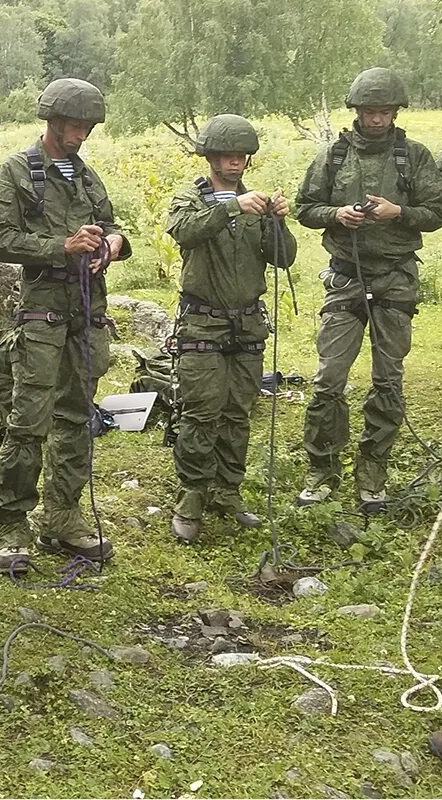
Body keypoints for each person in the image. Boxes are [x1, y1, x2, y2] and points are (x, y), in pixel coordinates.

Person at [0, 78, 131, 573]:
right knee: (28, 421)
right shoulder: (17, 171)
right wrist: (60, 247)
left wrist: (110, 245)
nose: (82, 133)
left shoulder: (87, 177)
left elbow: (113, 225)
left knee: (75, 419)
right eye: (75, 124)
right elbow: (0, 240)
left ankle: (63, 517)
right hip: (42, 314)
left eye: (88, 126)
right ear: (51, 120)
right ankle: (12, 522)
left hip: (86, 315)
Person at [295, 67, 442, 511]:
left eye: (384, 112)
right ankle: (321, 470)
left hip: (396, 278)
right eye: (369, 112)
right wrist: (337, 213)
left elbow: (435, 212)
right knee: (329, 379)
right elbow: (305, 207)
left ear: (396, 112)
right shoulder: (334, 155)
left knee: (388, 381)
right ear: (356, 112)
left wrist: (397, 211)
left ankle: (373, 472)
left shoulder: (413, 156)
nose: (376, 120)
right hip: (346, 276)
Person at [165, 114, 297, 542]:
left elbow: (285, 258)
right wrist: (231, 207)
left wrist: (278, 220)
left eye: (241, 155)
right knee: (201, 413)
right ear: (210, 157)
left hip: (247, 325)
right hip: (202, 322)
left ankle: (228, 490)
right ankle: (192, 495)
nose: (234, 162)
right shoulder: (191, 198)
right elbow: (184, 231)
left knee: (238, 413)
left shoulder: (256, 204)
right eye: (226, 155)